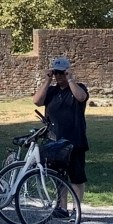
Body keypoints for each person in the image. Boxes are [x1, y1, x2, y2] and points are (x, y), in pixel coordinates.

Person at [32, 57, 89, 212]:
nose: (58, 76)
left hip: (74, 140)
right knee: (59, 176)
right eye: (55, 72)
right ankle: (62, 208)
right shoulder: (52, 91)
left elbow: (81, 97)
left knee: (76, 177)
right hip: (55, 141)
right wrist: (47, 81)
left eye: (61, 72)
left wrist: (70, 79)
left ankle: (76, 209)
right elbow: (36, 101)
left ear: (67, 71)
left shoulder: (78, 87)